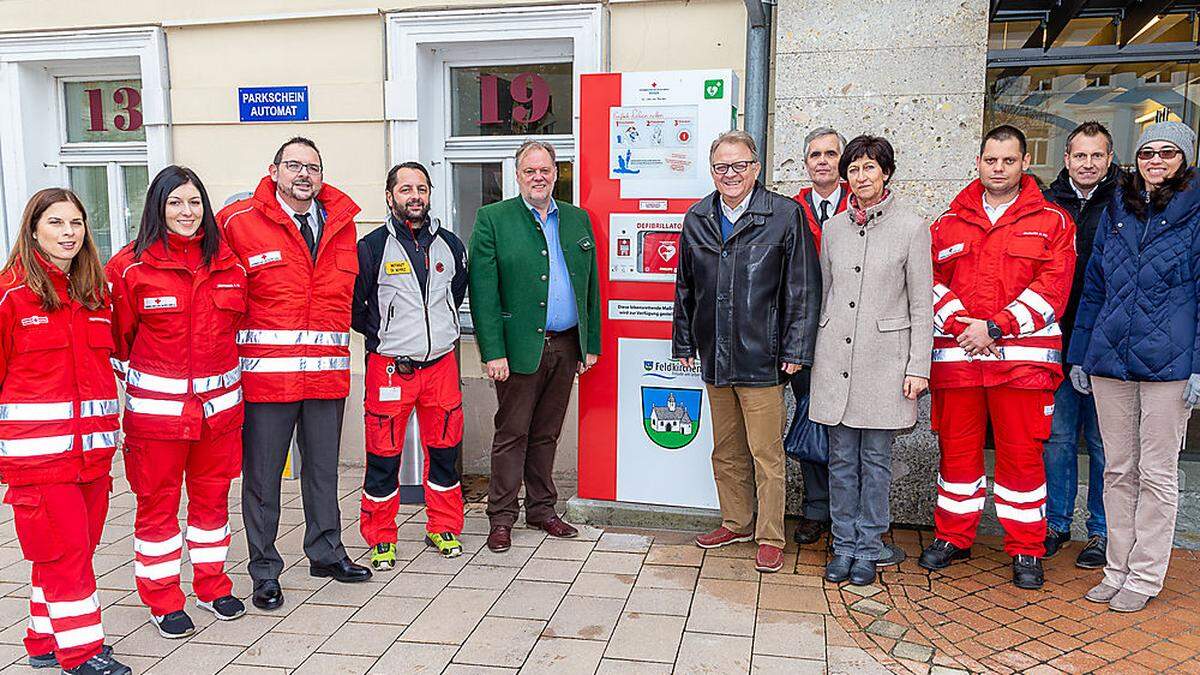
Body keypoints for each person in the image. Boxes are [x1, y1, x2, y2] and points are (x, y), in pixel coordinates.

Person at [217, 137, 370, 612]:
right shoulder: (237, 223)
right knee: (263, 479)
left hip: (325, 378)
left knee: (323, 473)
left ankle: (326, 552)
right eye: (295, 166)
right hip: (267, 382)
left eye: (313, 167)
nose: (304, 174)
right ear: (275, 170)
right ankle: (264, 571)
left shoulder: (342, 224)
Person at [920, 125, 1076, 590]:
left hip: (1023, 366)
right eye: (992, 160)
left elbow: (1054, 289)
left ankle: (1027, 548)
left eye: (1009, 161)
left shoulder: (1053, 221)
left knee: (1022, 459)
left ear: (1025, 162)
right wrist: (962, 327)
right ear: (979, 162)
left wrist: (994, 327)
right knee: (957, 455)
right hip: (960, 362)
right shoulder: (948, 222)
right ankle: (953, 536)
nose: (999, 169)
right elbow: (926, 281)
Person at [107, 166, 248, 638]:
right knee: (157, 510)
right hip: (157, 422)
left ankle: (212, 586)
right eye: (175, 203)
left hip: (219, 417)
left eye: (194, 203)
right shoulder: (129, 267)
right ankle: (163, 598)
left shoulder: (230, 265)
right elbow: (119, 340)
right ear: (157, 208)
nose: (186, 213)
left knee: (212, 506)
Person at [674, 130, 821, 573]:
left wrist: (796, 346)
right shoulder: (698, 217)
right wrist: (683, 340)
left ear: (756, 168)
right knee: (727, 450)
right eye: (722, 167)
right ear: (712, 171)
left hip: (764, 357)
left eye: (740, 165)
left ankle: (771, 535)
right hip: (714, 356)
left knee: (766, 453)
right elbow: (686, 287)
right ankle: (736, 521)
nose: (731, 174)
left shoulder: (784, 214)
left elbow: (803, 287)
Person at [1069, 121, 1200, 613]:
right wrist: (1080, 352)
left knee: (1157, 472)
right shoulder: (1119, 208)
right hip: (1110, 358)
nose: (1157, 161)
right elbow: (1097, 286)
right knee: (1118, 469)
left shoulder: (1196, 211)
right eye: (1148, 152)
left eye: (1168, 152)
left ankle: (1145, 575)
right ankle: (1117, 568)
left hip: (1171, 363)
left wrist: (1198, 367)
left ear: (1185, 158)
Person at [0, 189, 129, 675]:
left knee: (63, 554)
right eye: (56, 223)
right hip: (39, 461)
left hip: (91, 458)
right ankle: (82, 651)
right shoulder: (10, 295)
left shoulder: (93, 295)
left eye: (76, 223)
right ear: (33, 228)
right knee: (68, 554)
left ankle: (41, 640)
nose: (69, 232)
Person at [809, 136, 932, 586]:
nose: (862, 177)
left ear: (886, 173)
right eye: (855, 169)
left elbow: (921, 304)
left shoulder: (912, 227)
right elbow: (825, 293)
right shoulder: (835, 229)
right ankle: (843, 545)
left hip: (885, 363)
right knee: (840, 460)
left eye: (870, 168)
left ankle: (869, 545)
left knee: (875, 461)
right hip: (835, 359)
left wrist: (918, 366)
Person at [469, 140, 600, 553]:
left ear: (556, 173)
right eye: (530, 171)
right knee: (512, 434)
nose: (538, 177)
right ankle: (501, 517)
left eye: (545, 170)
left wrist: (588, 343)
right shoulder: (494, 219)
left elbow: (590, 285)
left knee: (547, 433)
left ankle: (542, 509)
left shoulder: (578, 219)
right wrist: (493, 352)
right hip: (517, 349)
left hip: (565, 346)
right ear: (518, 175)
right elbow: (482, 292)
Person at [352, 162, 468, 569]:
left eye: (421, 188)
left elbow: (455, 294)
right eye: (405, 189)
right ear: (390, 196)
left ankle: (444, 525)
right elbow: (357, 307)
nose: (414, 195)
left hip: (441, 367)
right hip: (390, 369)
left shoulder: (451, 245)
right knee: (383, 456)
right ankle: (381, 536)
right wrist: (388, 335)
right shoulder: (371, 247)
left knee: (445, 451)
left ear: (430, 194)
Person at [1039, 121, 1120, 569]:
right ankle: (1056, 522)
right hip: (1057, 338)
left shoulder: (1126, 202)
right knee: (1058, 438)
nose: (1088, 163)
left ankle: (1102, 532)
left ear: (1109, 159)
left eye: (1097, 155)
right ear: (1066, 158)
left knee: (1105, 444)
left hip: (1109, 343)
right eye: (1080, 155)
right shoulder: (1049, 204)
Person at [790, 126, 849, 548]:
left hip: (852, 337)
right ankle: (815, 509)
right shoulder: (789, 210)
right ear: (805, 163)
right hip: (805, 336)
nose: (823, 161)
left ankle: (847, 514)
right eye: (816, 155)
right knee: (810, 420)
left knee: (848, 427)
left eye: (831, 154)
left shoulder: (865, 205)